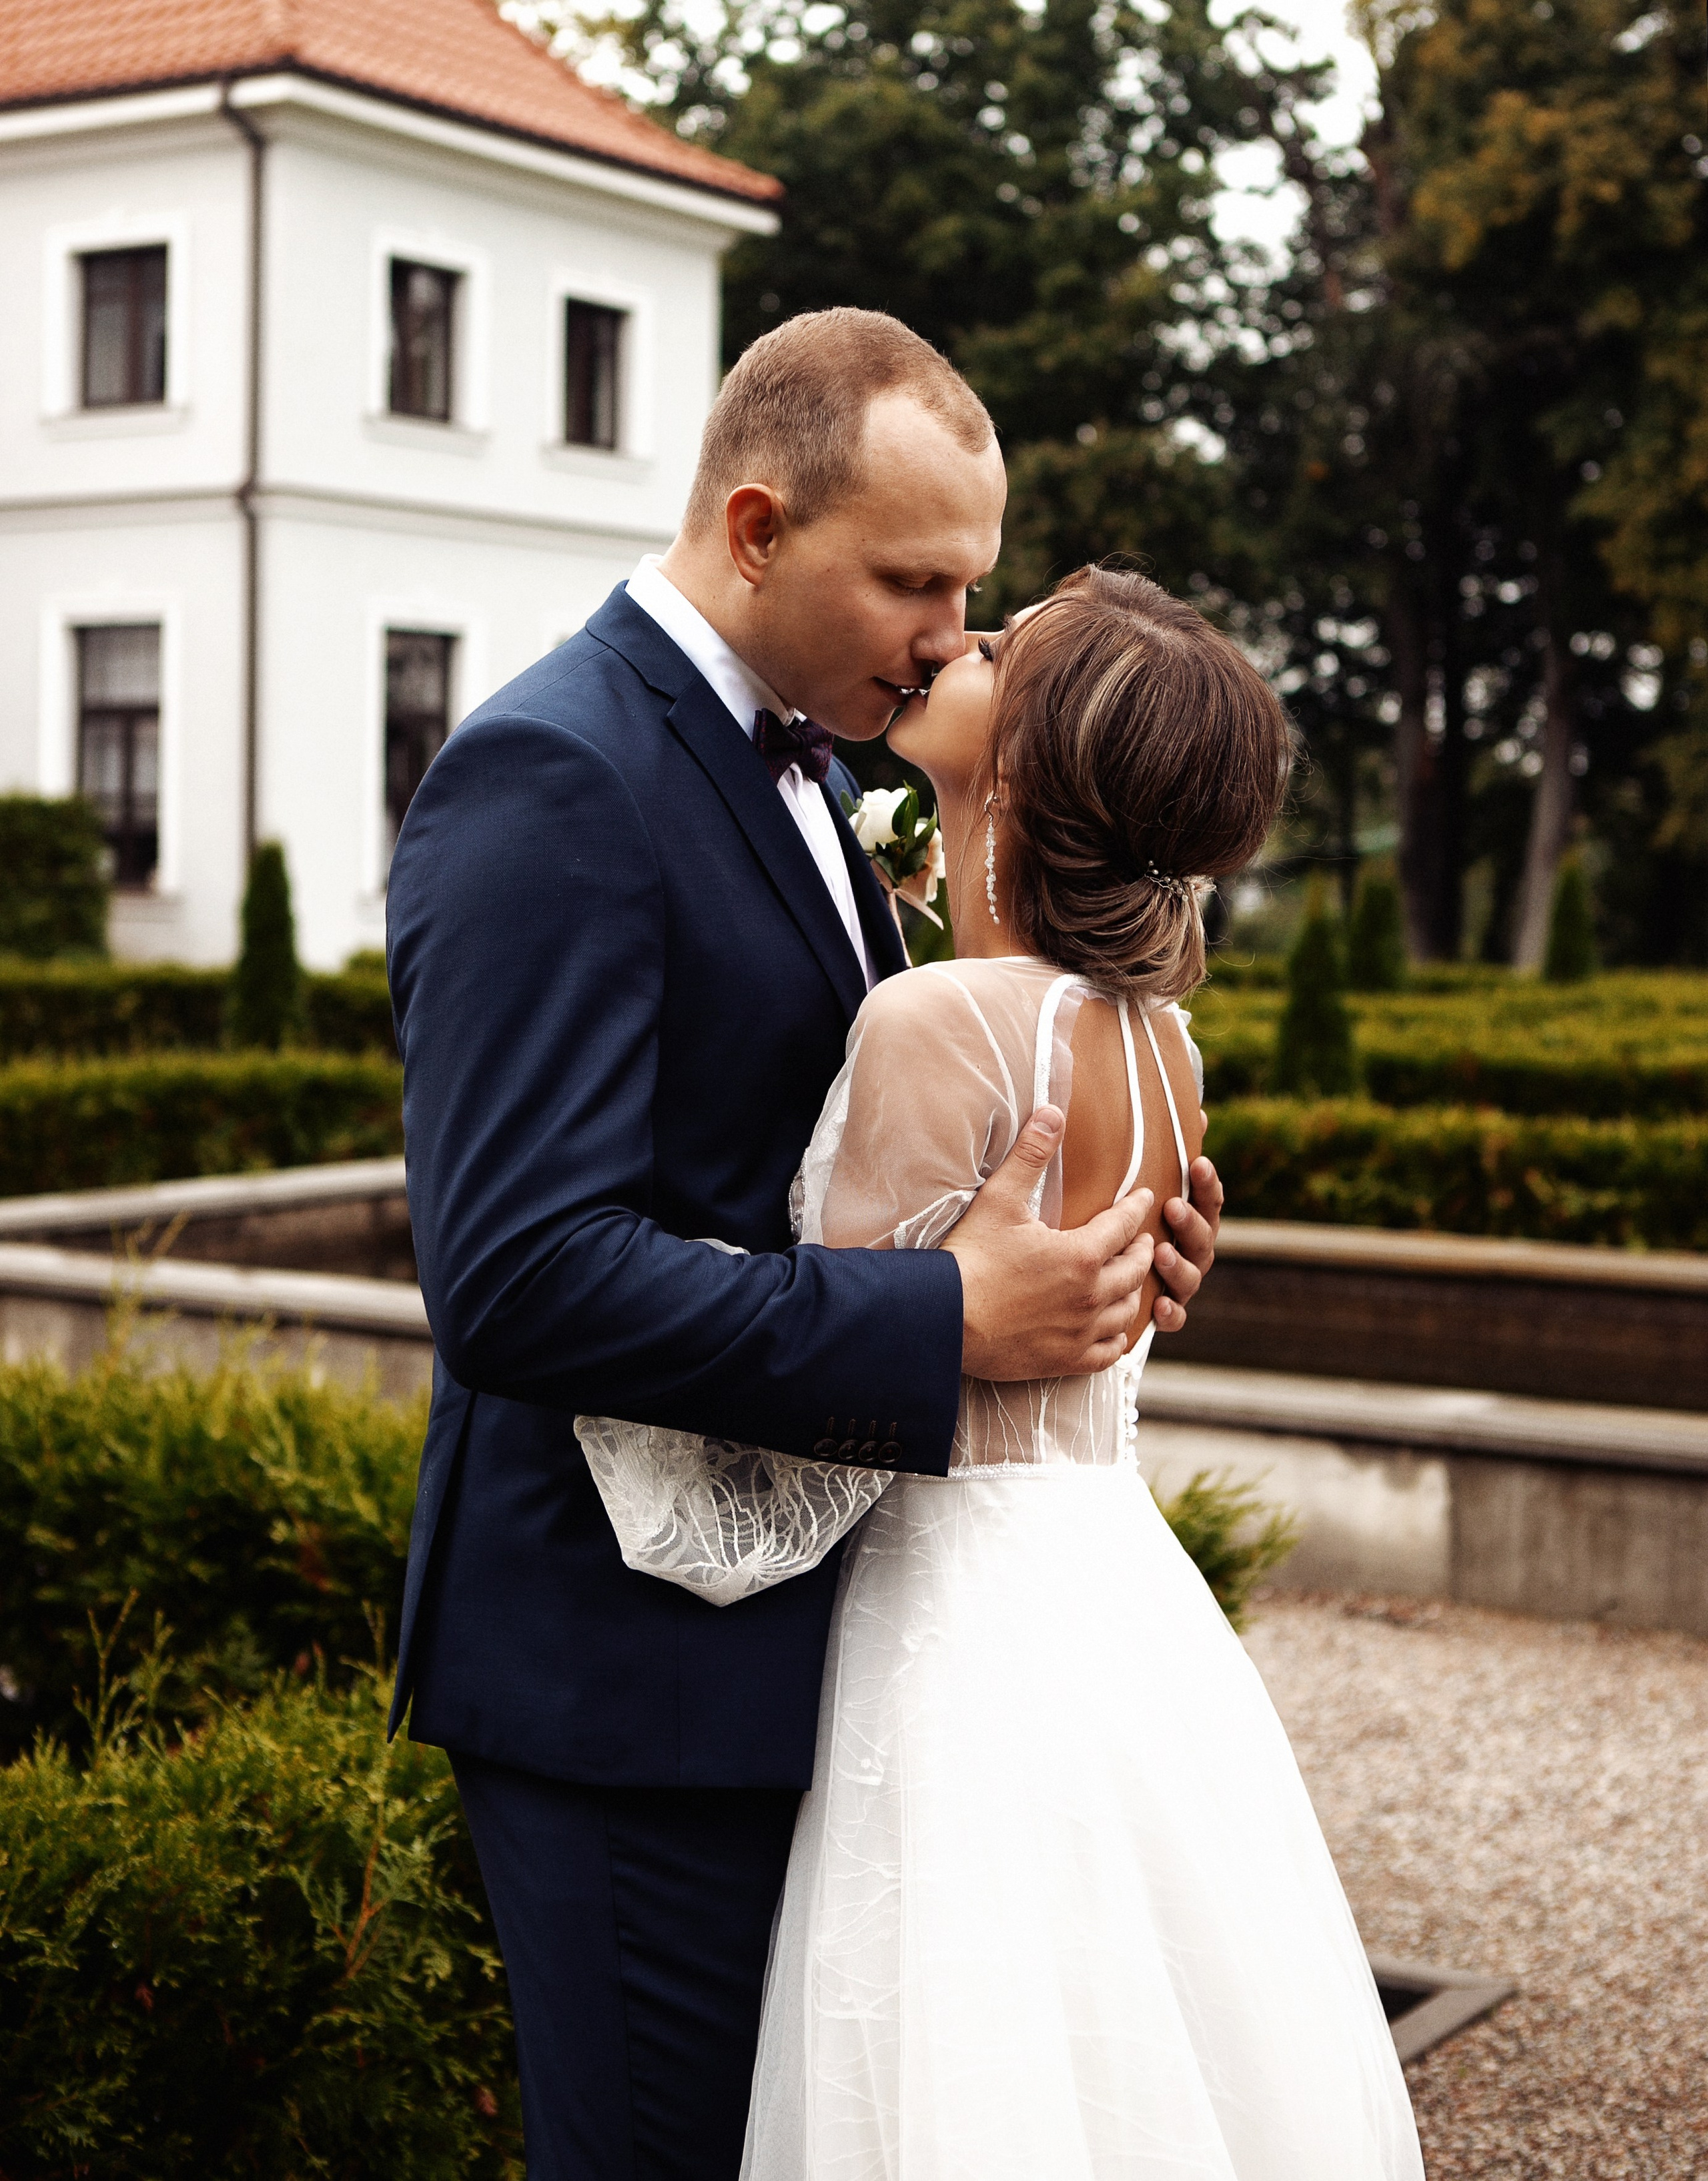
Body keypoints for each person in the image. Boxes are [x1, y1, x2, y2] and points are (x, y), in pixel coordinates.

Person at [384, 310, 1225, 2181]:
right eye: (911, 581)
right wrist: (947, 1316)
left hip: (813, 1659)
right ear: (757, 529)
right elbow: (517, 1275)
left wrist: (1092, 1261)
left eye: (970, 587)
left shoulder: (826, 775)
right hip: (628, 1685)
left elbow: (817, 1158)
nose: (945, 634)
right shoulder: (551, 772)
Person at [702, 567, 1422, 2177]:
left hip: (953, 1623)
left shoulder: (938, 1024)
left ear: (1025, 759)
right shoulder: (1162, 1043)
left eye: (1005, 642)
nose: (966, 633)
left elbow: (830, 1401)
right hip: (1113, 1592)